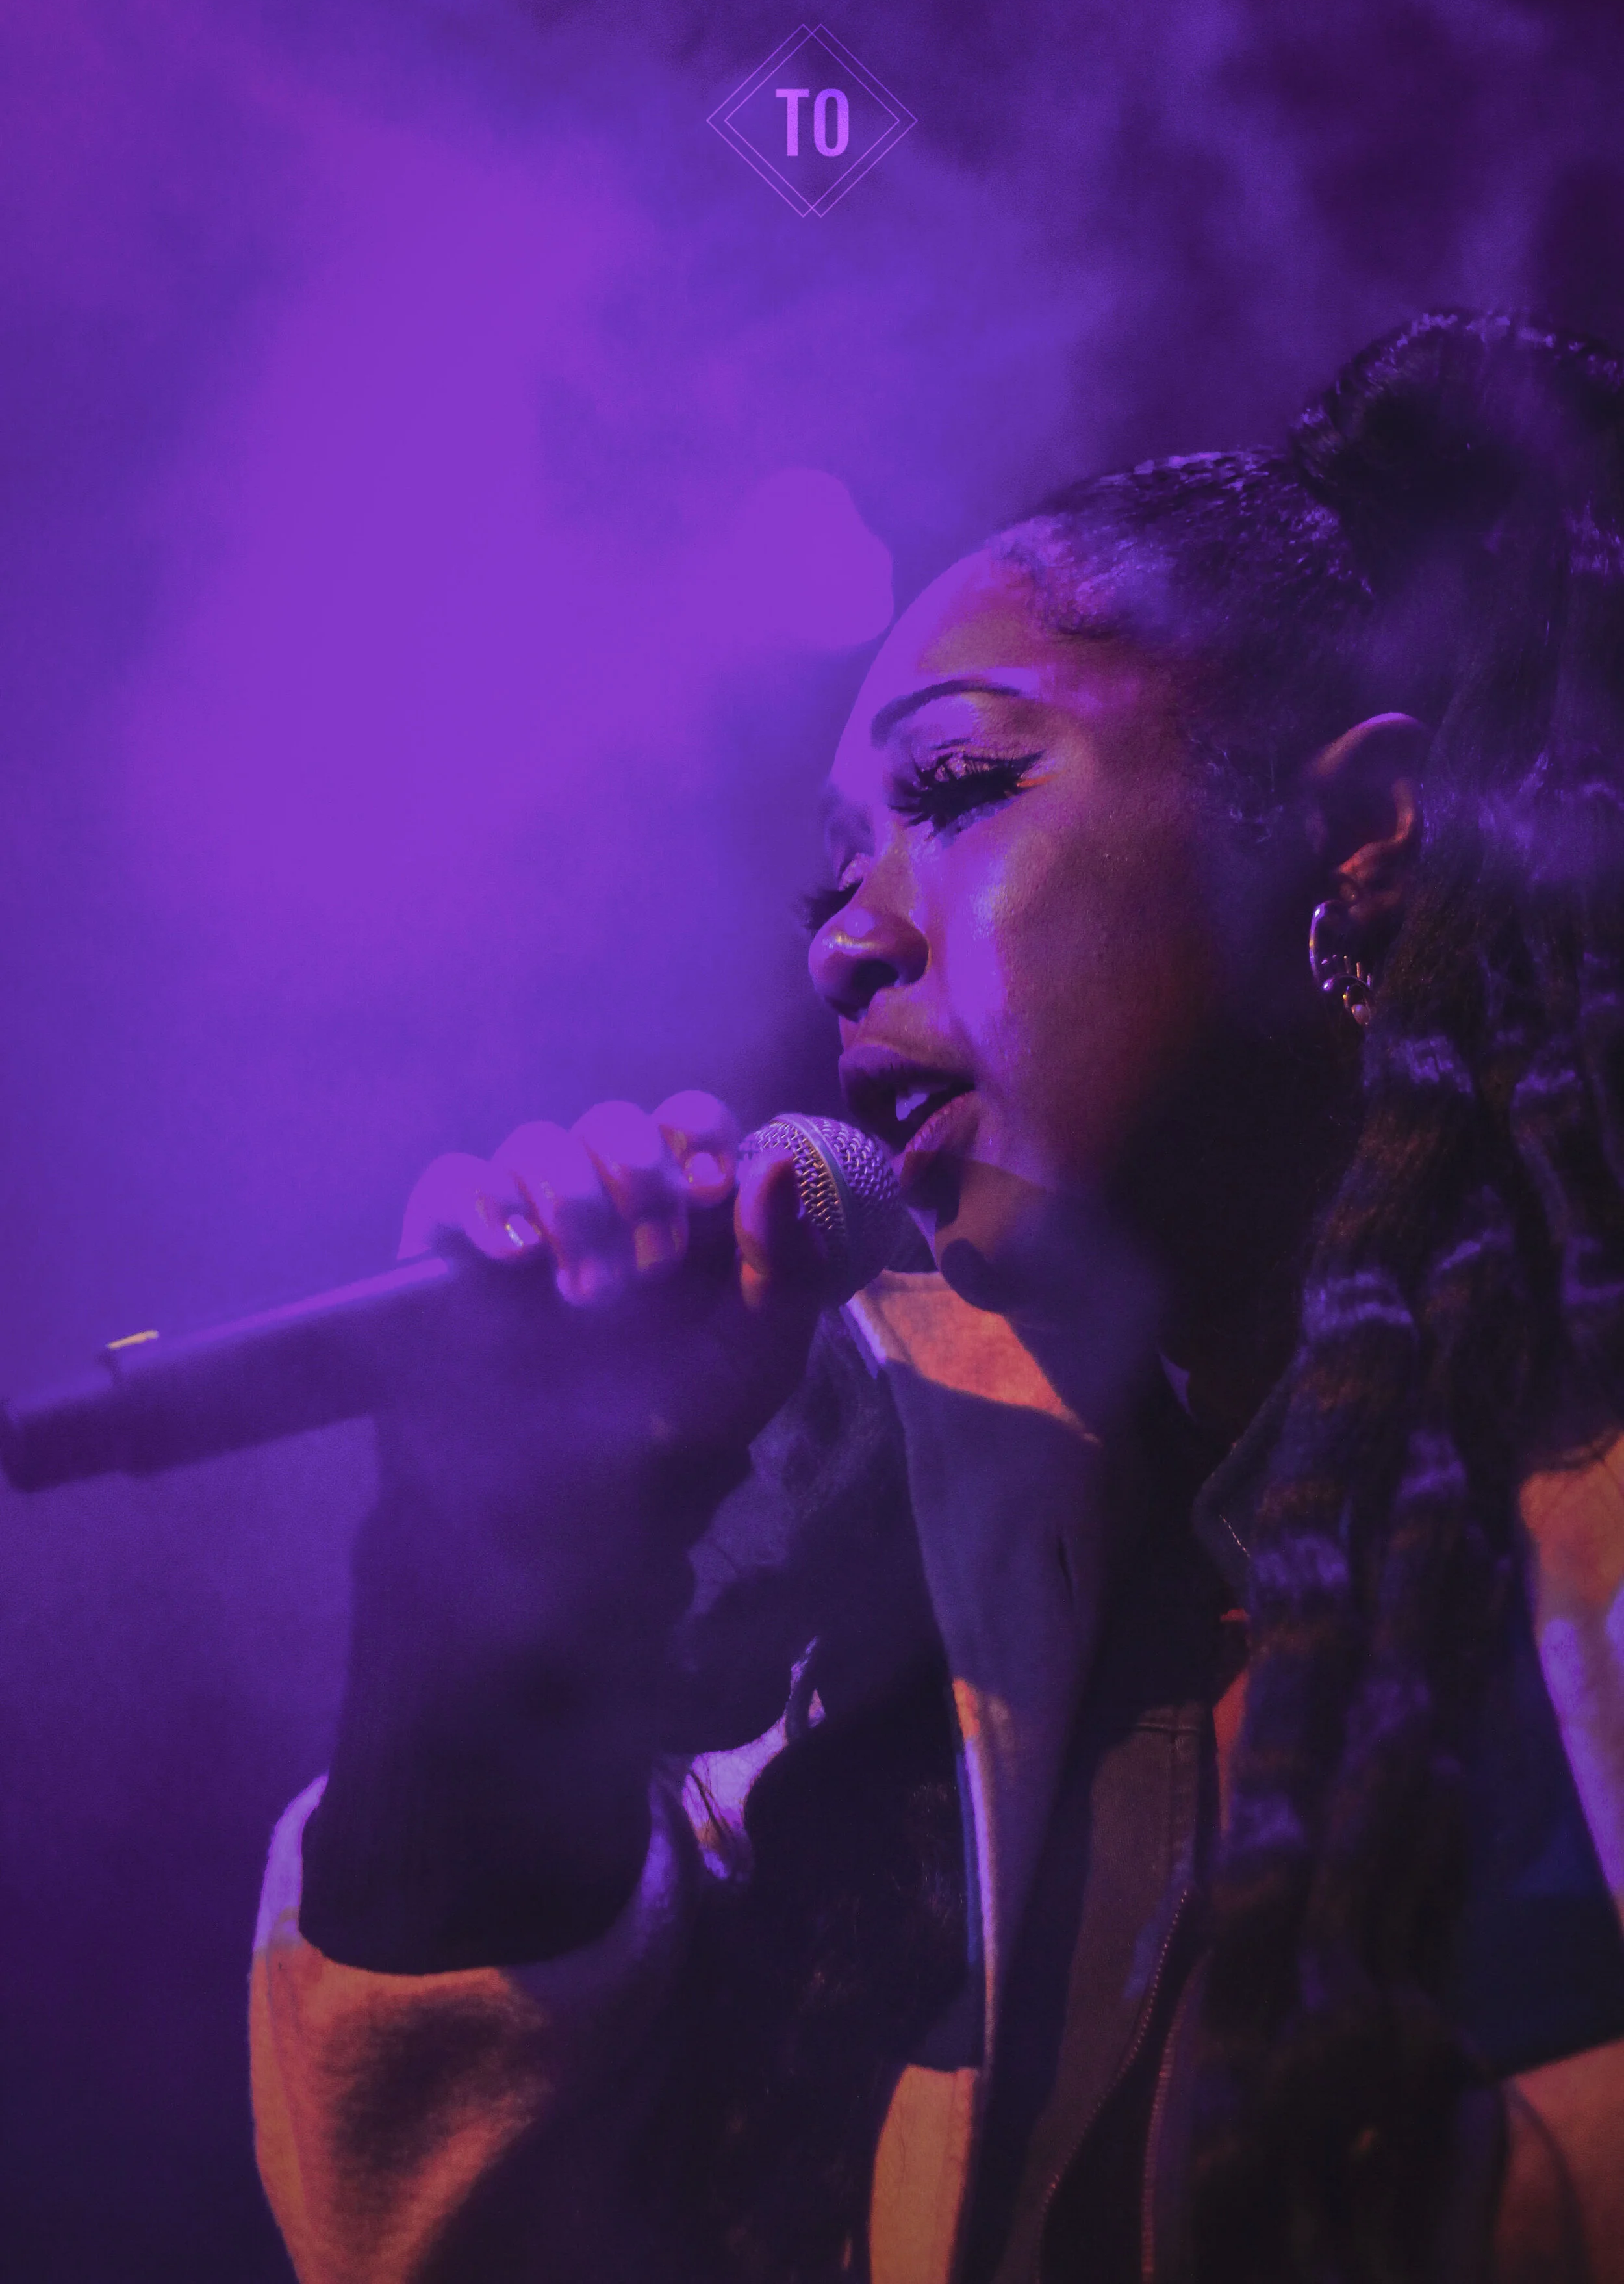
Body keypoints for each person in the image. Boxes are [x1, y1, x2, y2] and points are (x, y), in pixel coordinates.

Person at [249, 311, 1624, 2284]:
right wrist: (498, 1572)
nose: (844, 940)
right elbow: (446, 2239)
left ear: (1359, 834)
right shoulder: (890, 1674)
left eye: (958, 786)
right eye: (826, 875)